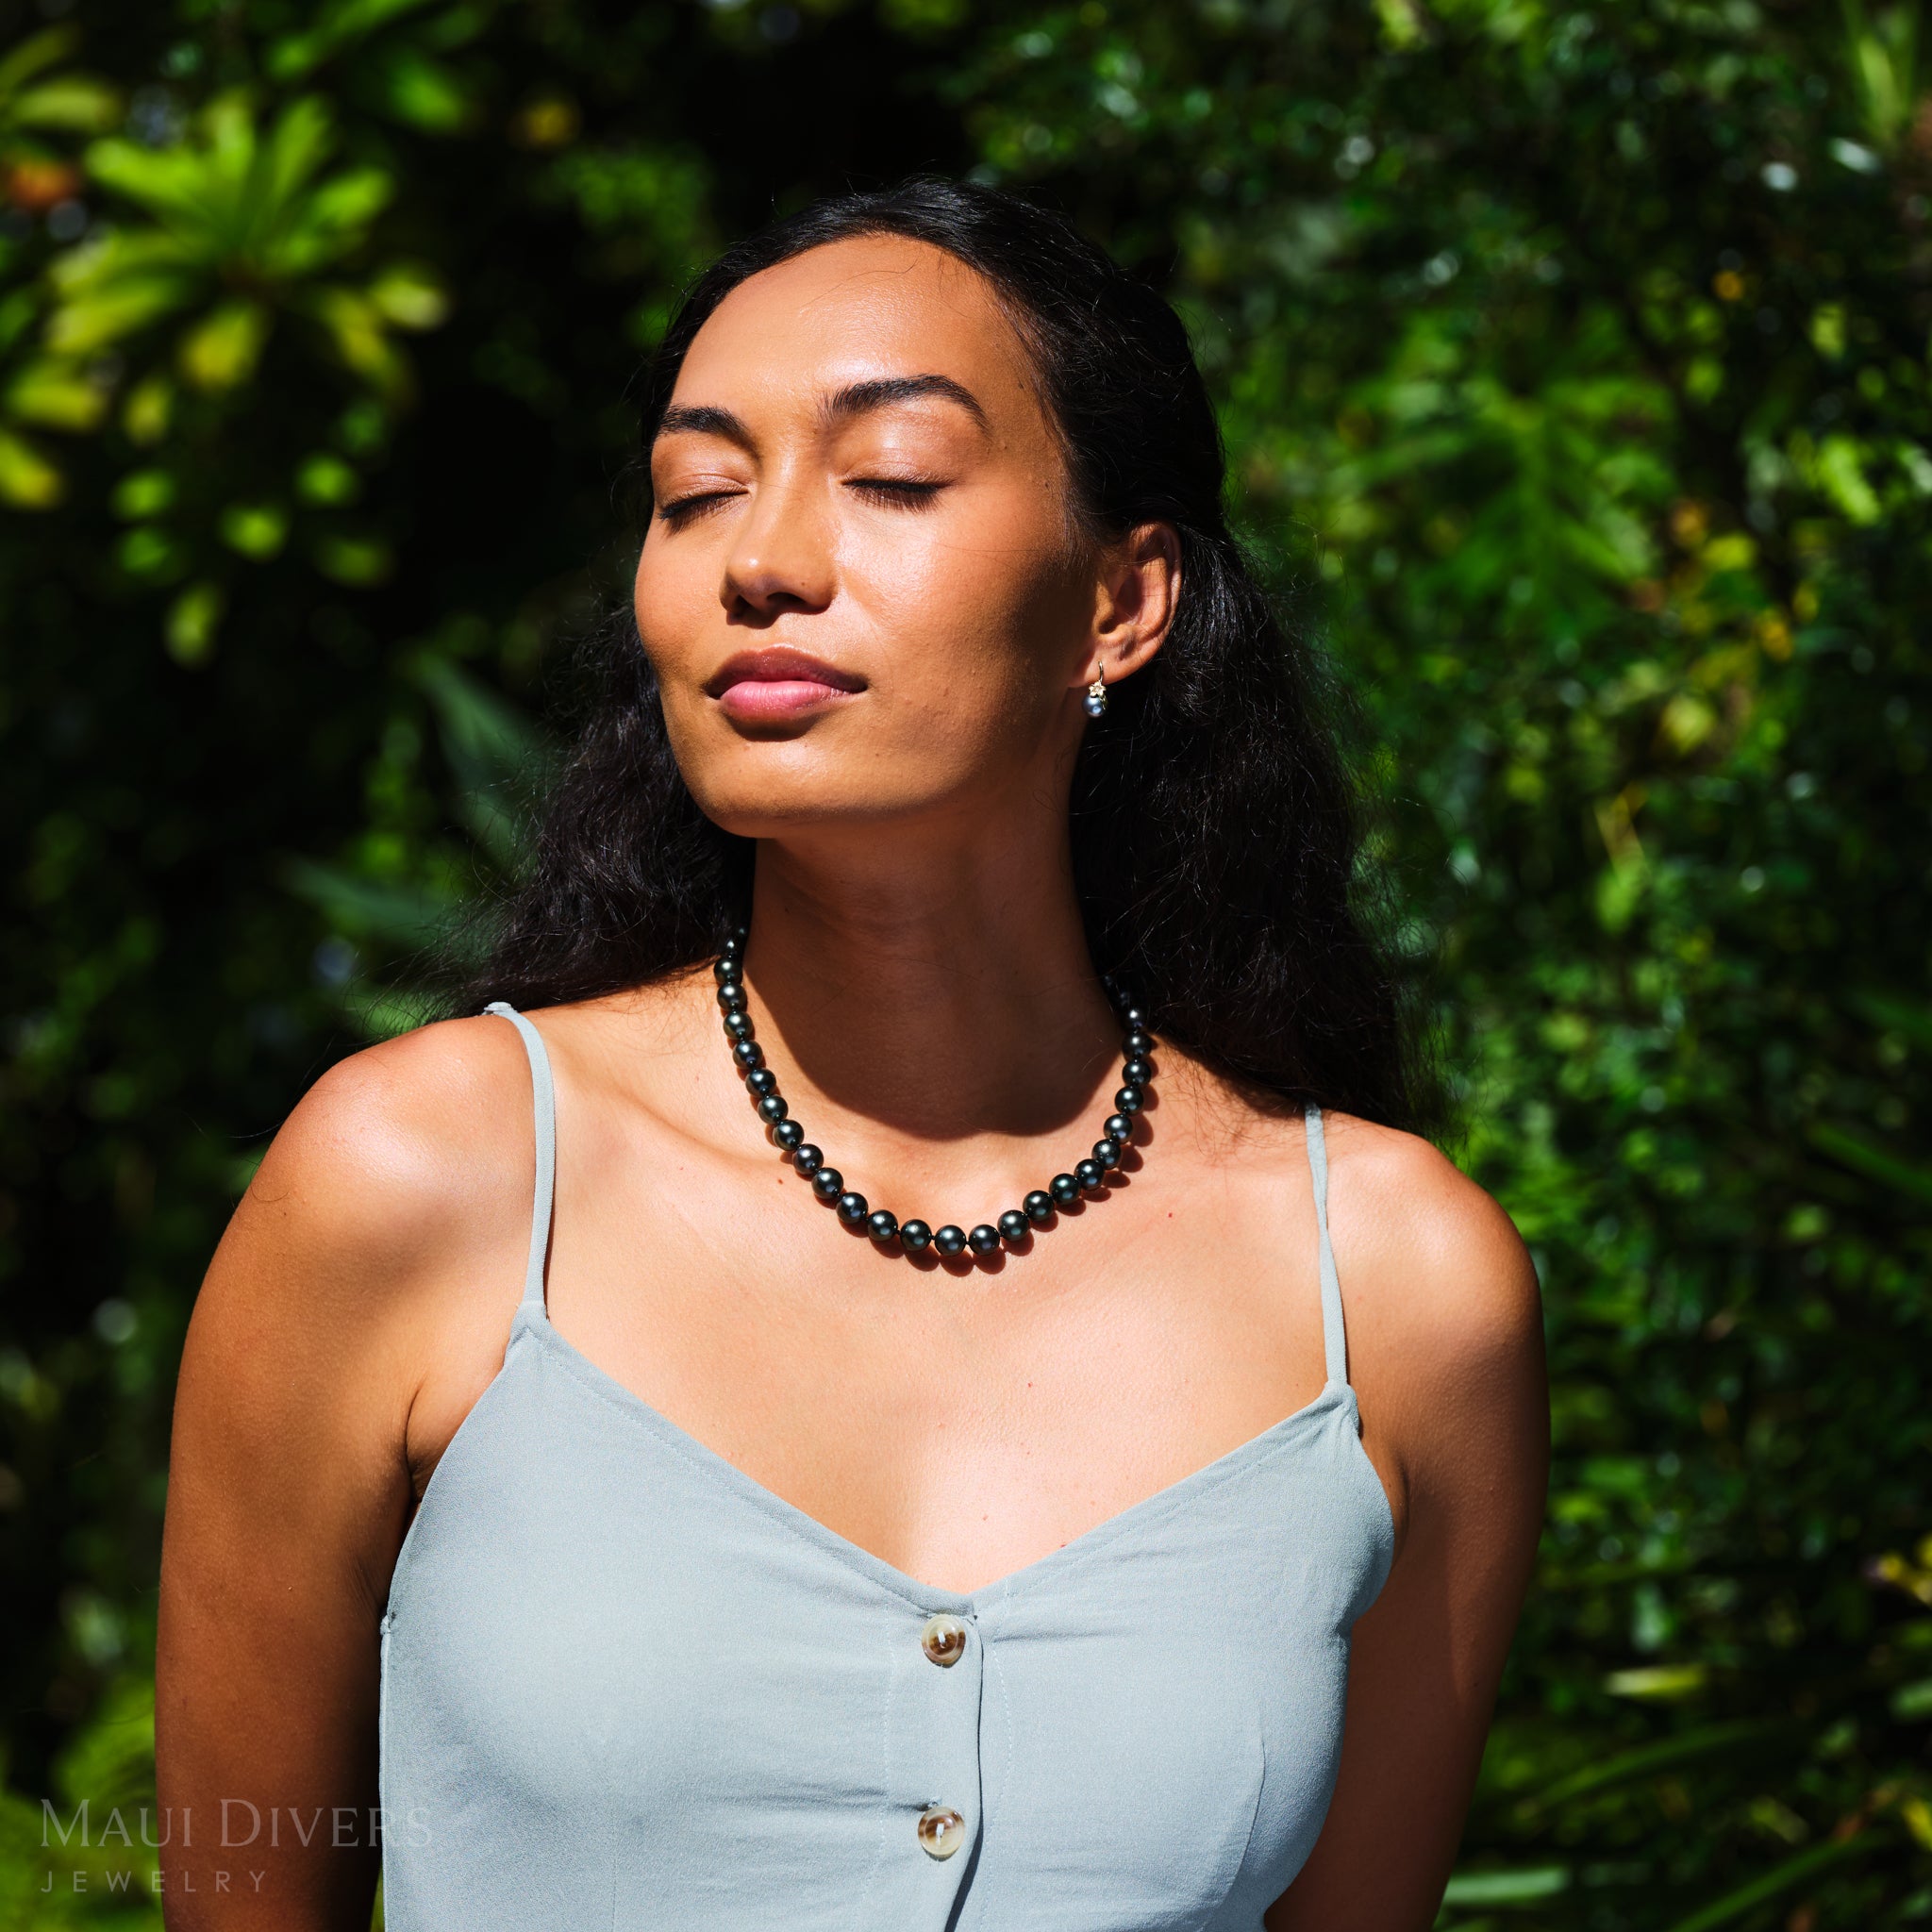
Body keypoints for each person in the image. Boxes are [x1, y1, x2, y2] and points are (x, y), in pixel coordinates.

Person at [157, 179, 1546, 1932]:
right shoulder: (424, 1185)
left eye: (889, 476)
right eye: (697, 490)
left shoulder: (1399, 1289)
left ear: (1125, 602)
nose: (763, 559)